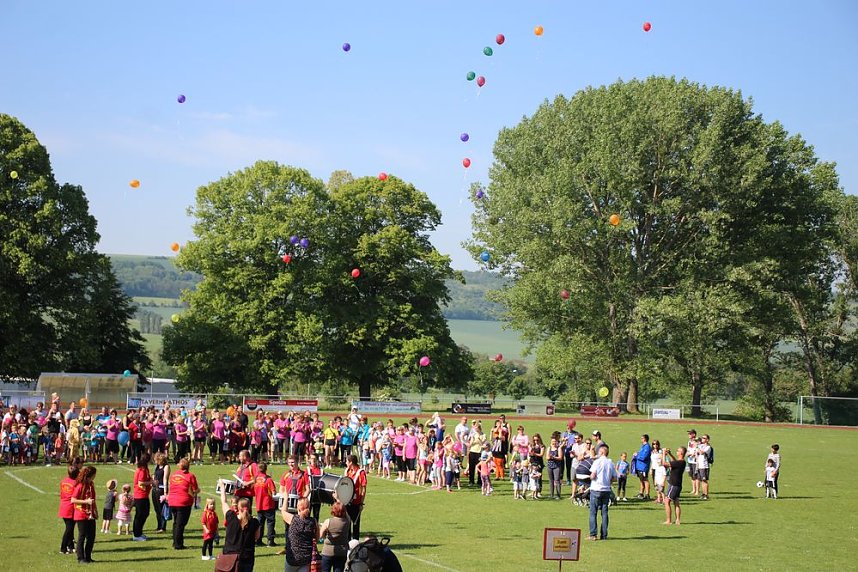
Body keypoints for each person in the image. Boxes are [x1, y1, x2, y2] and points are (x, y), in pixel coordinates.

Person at [220, 487, 262, 572]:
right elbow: (257, 537)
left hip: (229, 556)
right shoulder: (255, 522)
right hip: (246, 557)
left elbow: (224, 502)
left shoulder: (231, 517)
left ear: (237, 507)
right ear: (249, 507)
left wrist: (222, 488)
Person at [167, 457, 199, 549]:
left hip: (172, 500)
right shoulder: (190, 476)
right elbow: (194, 489)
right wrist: (197, 491)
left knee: (176, 522)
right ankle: (178, 544)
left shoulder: (174, 475)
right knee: (181, 524)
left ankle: (175, 542)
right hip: (183, 502)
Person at [588, 444, 617, 541]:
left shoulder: (597, 462)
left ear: (602, 452)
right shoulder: (610, 463)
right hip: (606, 490)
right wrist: (608, 480)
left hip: (596, 488)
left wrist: (592, 478)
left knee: (593, 512)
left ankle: (593, 534)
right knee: (604, 513)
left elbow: (592, 475)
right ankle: (604, 535)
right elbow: (614, 478)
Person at [281, 497, 318, 572]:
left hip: (292, 559)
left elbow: (283, 511)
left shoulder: (293, 519)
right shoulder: (313, 521)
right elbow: (317, 538)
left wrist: (286, 497)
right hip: (306, 559)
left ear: (298, 507)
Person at [70, 465, 98, 564]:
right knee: (82, 536)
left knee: (91, 536)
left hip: (90, 514)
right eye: (94, 475)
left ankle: (88, 556)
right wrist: (86, 502)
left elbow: (93, 499)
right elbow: (73, 500)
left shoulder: (91, 484)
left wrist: (95, 511)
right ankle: (80, 558)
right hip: (81, 514)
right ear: (90, 475)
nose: (95, 476)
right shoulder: (80, 485)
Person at [319, 501, 351, 572]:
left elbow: (320, 535)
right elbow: (347, 515)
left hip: (328, 552)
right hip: (342, 552)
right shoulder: (347, 521)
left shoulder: (328, 521)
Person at [253, 461, 278, 547]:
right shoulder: (268, 479)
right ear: (266, 469)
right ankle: (270, 540)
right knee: (270, 522)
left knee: (260, 523)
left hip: (259, 504)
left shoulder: (255, 479)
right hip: (268, 504)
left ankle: (258, 540)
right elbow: (274, 492)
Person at [132, 453, 156, 541]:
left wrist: (151, 479)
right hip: (140, 496)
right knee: (140, 515)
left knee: (145, 513)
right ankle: (136, 534)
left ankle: (139, 532)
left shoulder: (145, 469)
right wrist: (151, 483)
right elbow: (140, 483)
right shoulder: (142, 470)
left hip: (144, 495)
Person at [58, 463, 80, 554]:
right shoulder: (76, 483)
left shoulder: (63, 481)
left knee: (69, 527)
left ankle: (71, 546)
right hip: (70, 508)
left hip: (63, 506)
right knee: (69, 529)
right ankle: (63, 548)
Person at [345, 454, 367, 540]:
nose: (346, 463)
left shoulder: (360, 472)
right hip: (347, 501)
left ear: (351, 462)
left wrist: (361, 502)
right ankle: (348, 543)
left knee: (355, 524)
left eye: (347, 461)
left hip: (356, 502)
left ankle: (355, 544)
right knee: (347, 524)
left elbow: (364, 488)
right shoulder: (347, 471)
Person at [663, 446, 686, 525]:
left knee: (666, 501)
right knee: (676, 502)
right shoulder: (682, 462)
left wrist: (663, 453)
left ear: (681, 453)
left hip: (673, 484)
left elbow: (664, 464)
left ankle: (668, 520)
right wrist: (670, 454)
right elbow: (675, 462)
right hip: (678, 485)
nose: (677, 452)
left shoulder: (679, 463)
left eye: (678, 451)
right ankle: (678, 520)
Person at [152, 452, 171, 533]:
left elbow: (165, 479)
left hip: (161, 489)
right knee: (157, 509)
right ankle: (159, 525)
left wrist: (165, 492)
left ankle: (163, 527)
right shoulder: (157, 466)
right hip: (155, 489)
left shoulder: (166, 467)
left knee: (162, 509)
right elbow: (154, 475)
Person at [634, 434, 651, 500]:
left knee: (645, 480)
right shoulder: (643, 446)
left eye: (642, 438)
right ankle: (641, 493)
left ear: (645, 439)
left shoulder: (647, 447)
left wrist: (637, 455)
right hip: (640, 466)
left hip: (643, 467)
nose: (641, 439)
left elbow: (644, 457)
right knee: (641, 480)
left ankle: (647, 494)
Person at [696, 434, 712, 500]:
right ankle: (703, 493)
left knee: (704, 480)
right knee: (701, 480)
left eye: (704, 438)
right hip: (699, 465)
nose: (702, 439)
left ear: (707, 440)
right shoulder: (701, 445)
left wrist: (697, 448)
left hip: (704, 466)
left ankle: (706, 494)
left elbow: (702, 452)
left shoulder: (708, 447)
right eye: (702, 438)